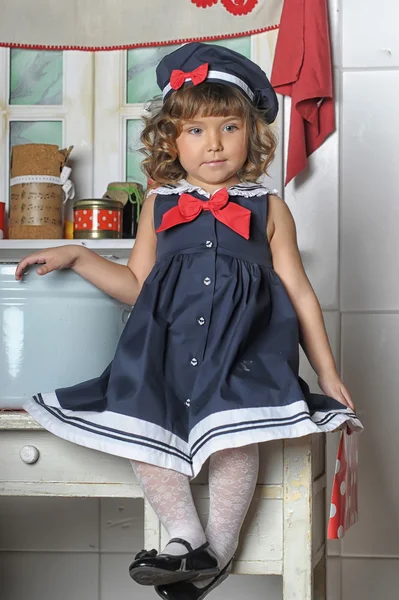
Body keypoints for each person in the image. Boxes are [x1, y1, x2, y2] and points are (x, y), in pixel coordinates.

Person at [15, 42, 362, 600]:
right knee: (141, 431)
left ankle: (216, 553)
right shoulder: (159, 204)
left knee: (233, 441)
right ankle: (185, 539)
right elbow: (136, 285)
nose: (214, 143)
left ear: (251, 133)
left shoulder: (268, 209)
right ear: (171, 141)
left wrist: (327, 373)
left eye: (228, 127)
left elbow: (298, 289)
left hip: (242, 354)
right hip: (165, 353)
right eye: (196, 131)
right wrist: (80, 255)